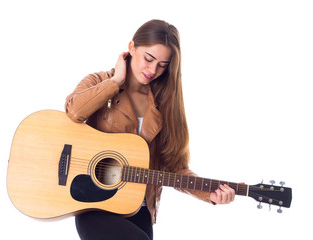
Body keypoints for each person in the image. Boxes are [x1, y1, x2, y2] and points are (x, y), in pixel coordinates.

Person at [65, 19, 236, 240]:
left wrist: (211, 194)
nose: (153, 70)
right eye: (149, 58)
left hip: (138, 206)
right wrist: (116, 81)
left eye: (163, 65)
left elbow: (175, 167)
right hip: (93, 202)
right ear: (131, 47)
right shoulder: (99, 81)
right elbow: (73, 111)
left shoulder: (167, 105)